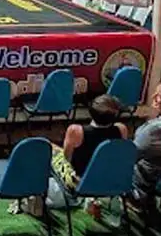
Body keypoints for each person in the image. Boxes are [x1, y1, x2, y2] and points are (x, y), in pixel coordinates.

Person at [51, 95, 127, 192]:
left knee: (51, 148)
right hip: (109, 180)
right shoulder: (121, 129)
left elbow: (67, 158)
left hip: (82, 182)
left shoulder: (76, 131)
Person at [131, 82, 161, 211]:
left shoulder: (153, 130)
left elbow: (132, 155)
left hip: (144, 184)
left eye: (158, 95)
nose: (154, 96)